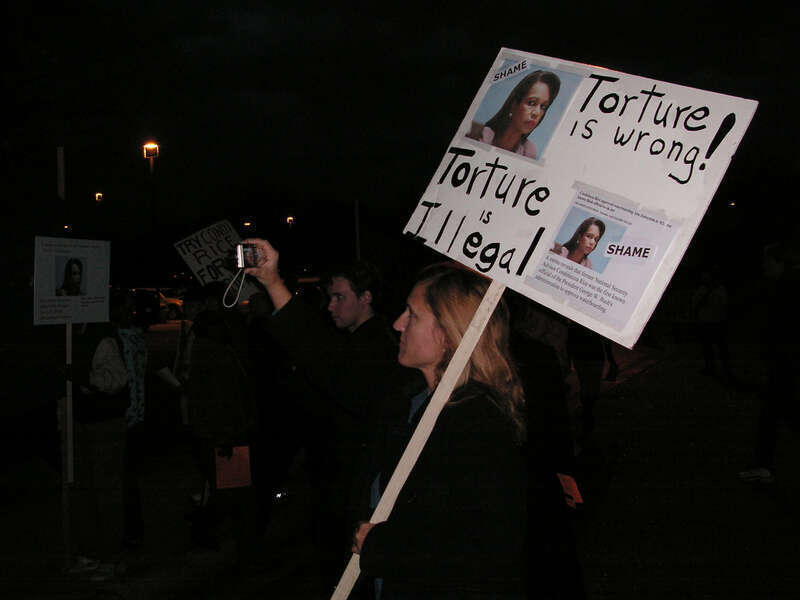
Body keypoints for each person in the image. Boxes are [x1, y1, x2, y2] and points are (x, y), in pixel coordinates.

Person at [244, 240, 582, 598]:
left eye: (413, 315)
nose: (397, 323)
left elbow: (483, 552)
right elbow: (331, 365)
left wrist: (382, 546)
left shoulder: (480, 425)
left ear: (448, 333)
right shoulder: (407, 393)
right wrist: (273, 282)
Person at [739, 242, 800, 484]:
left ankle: (763, 466)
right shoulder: (787, 285)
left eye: (767, 262)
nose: (764, 266)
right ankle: (763, 465)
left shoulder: (786, 288)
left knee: (772, 414)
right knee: (780, 412)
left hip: (783, 362)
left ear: (778, 262)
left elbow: (781, 329)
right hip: (785, 362)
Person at [467, 70, 561, 159]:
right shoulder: (476, 133)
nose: (537, 112)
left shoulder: (528, 152)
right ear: (514, 104)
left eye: (543, 107)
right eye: (531, 103)